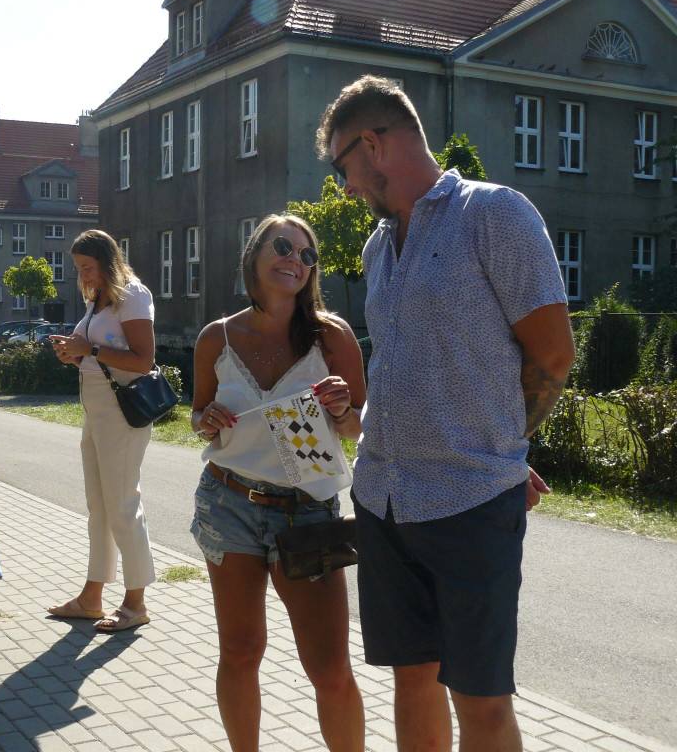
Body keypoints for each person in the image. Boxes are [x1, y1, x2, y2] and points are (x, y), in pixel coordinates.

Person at [316, 75, 575, 751]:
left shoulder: (496, 214)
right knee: (412, 686)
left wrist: (502, 449)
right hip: (383, 501)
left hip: (469, 504)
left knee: (483, 703)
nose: (344, 186)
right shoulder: (379, 247)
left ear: (372, 143)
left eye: (342, 166)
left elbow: (551, 354)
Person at [189, 214, 365, 751]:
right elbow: (196, 414)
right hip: (229, 502)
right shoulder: (215, 337)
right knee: (240, 652)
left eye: (307, 255)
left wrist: (341, 410)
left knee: (329, 667)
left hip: (306, 515)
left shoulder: (331, 337)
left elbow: (359, 426)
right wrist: (207, 419)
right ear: (255, 255)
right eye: (284, 246)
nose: (295, 259)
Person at [46, 230, 156, 632]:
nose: (84, 276)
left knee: (123, 505)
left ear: (107, 262)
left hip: (122, 413)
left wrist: (87, 350)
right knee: (99, 506)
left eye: (88, 268)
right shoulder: (98, 300)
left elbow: (142, 360)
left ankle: (135, 603)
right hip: (96, 410)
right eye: (79, 269)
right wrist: (71, 353)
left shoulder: (133, 296)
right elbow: (92, 356)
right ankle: (92, 596)